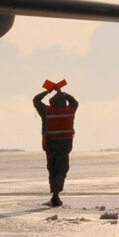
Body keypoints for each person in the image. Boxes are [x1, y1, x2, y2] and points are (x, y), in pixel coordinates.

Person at [33, 79, 78, 207]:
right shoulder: (70, 111)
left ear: (52, 103)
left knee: (52, 170)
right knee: (61, 170)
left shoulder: (47, 111)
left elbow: (36, 100)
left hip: (50, 145)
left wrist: (48, 91)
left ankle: (55, 195)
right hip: (64, 146)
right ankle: (56, 194)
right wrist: (62, 92)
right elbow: (75, 102)